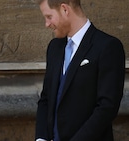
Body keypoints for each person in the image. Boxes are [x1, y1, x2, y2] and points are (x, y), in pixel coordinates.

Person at [34, 0, 125, 141]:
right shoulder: (54, 47)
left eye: (49, 17)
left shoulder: (108, 47)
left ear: (65, 9)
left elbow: (107, 108)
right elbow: (46, 98)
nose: (47, 24)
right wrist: (41, 138)